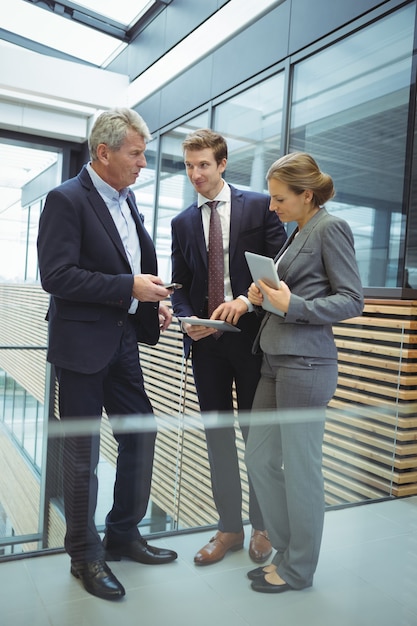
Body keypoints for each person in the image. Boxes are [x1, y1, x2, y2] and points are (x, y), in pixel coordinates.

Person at [37, 108, 178, 601]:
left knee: (140, 431)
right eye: (136, 153)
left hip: (123, 340)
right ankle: (85, 555)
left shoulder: (128, 198)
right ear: (104, 152)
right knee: (82, 456)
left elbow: (128, 263)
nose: (144, 163)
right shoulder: (65, 199)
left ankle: (122, 533)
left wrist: (146, 302)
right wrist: (129, 286)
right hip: (80, 346)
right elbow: (56, 276)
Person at [245, 152, 364, 593]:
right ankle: (287, 547)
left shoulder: (330, 228)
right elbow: (288, 290)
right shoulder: (296, 233)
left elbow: (352, 300)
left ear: (305, 195)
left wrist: (291, 305)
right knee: (259, 458)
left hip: (307, 364)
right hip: (275, 359)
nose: (272, 207)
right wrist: (264, 296)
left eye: (279, 199)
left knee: (301, 469)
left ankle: (299, 568)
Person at [170, 129, 287, 565]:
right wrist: (185, 319)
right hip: (207, 347)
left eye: (203, 164)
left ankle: (263, 527)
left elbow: (279, 267)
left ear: (221, 164)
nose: (195, 174)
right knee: (217, 437)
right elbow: (180, 284)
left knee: (257, 439)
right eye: (189, 165)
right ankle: (229, 530)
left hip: (254, 341)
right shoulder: (181, 222)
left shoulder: (259, 205)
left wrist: (245, 297)